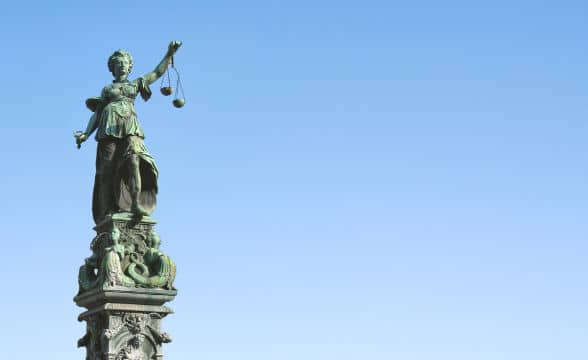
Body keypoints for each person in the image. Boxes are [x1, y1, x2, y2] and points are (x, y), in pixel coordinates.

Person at [76, 41, 182, 223]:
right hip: (108, 128)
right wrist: (86, 134)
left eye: (124, 63)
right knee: (106, 170)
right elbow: (97, 113)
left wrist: (169, 54)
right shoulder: (108, 90)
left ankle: (135, 203)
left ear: (130, 66)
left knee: (134, 159)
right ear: (112, 68)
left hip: (130, 126)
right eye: (118, 63)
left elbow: (157, 73)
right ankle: (107, 209)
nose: (122, 66)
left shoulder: (135, 84)